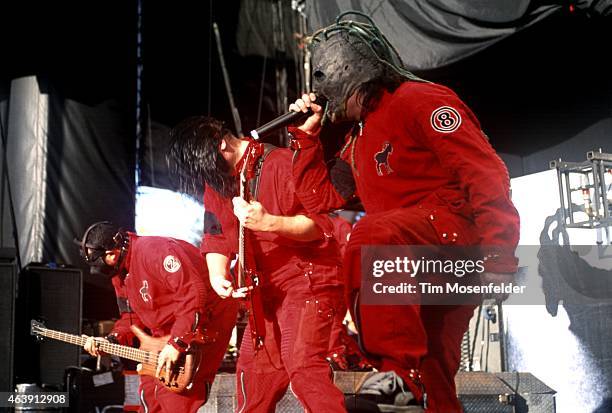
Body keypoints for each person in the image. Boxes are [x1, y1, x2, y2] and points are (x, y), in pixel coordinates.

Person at [287, 12, 520, 413]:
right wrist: (308, 140)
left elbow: (485, 173)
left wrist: (500, 254)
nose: (336, 104)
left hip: (454, 244)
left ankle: (396, 373)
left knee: (371, 235)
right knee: (433, 376)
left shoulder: (420, 100)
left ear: (359, 80)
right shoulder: (358, 139)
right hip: (409, 263)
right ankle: (410, 385)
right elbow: (320, 199)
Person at [168, 116, 348, 412]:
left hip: (306, 280)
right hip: (263, 294)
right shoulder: (218, 183)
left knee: (303, 367)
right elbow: (215, 235)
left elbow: (320, 226)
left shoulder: (279, 162)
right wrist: (217, 274)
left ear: (222, 144)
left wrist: (270, 222)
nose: (207, 177)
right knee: (254, 377)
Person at [77, 221, 238, 413]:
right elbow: (131, 317)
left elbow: (194, 296)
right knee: (150, 392)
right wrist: (111, 340)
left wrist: (177, 343)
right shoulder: (120, 273)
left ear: (112, 253)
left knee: (174, 397)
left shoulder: (154, 252)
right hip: (166, 328)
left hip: (205, 319)